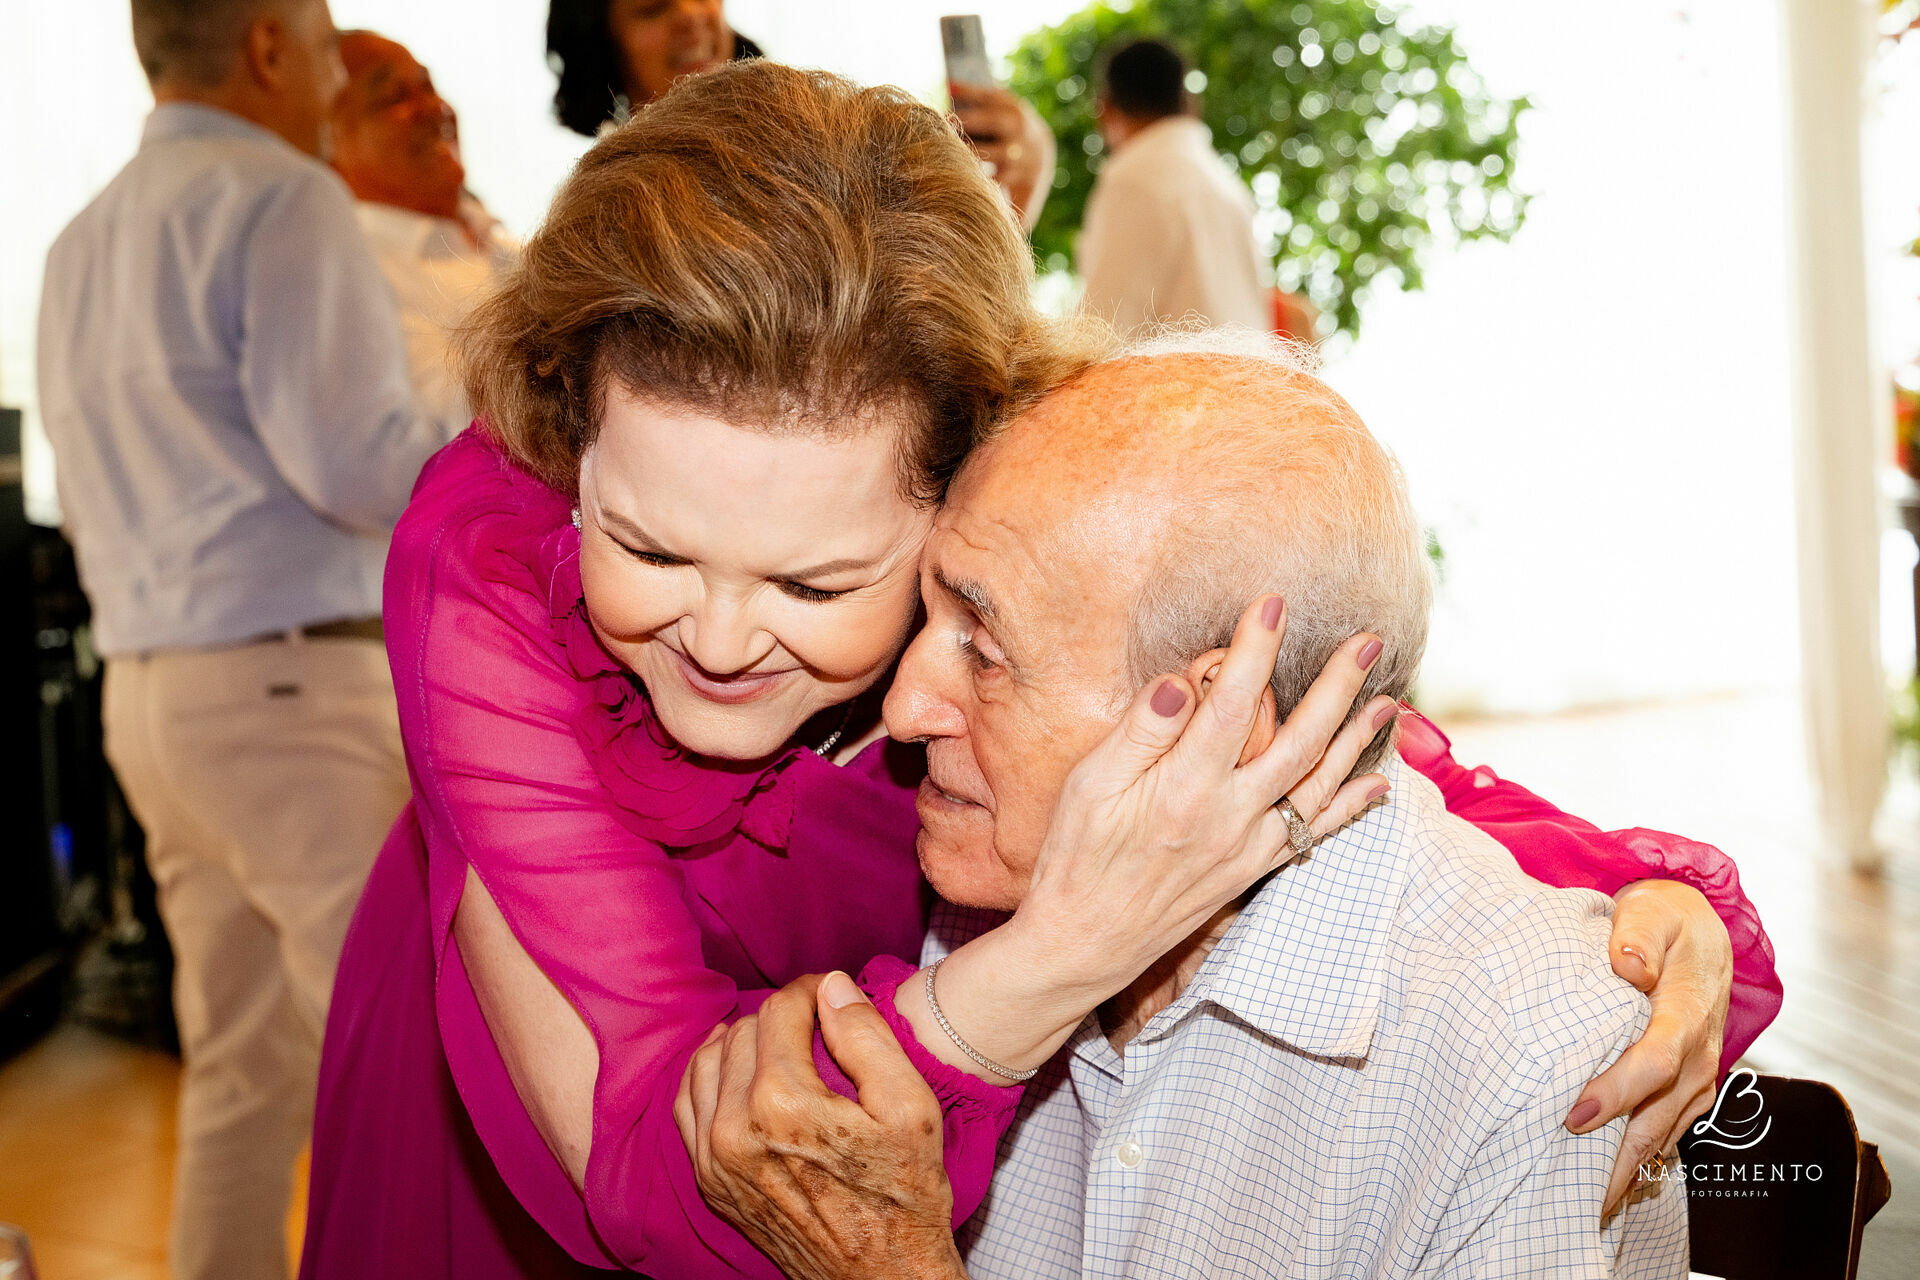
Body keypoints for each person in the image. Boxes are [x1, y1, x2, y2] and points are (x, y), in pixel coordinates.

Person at [301, 61, 1776, 1280]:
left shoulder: (1007, 513)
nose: (726, 635)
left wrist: (1615, 890)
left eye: (821, 583)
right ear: (571, 436)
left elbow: (1256, 685)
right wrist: (1049, 959)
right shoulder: (486, 557)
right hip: (532, 1124)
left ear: (959, 485)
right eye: (648, 549)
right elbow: (640, 1167)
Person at [679, 336, 1697, 1277]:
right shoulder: (979, 882)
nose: (900, 708)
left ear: (1214, 726)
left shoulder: (1534, 1069)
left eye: (983, 651)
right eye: (926, 610)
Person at [34, 1, 445, 1277]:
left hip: (153, 703)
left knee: (242, 1065)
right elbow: (353, 460)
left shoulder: (77, 238)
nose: (332, 69)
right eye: (324, 40)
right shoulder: (284, 196)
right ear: (268, 46)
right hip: (291, 693)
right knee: (405, 1068)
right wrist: (502, 422)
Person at [544, 0, 1056, 229]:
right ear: (602, 45)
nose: (691, 15)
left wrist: (1014, 192)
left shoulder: (819, 142)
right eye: (653, 8)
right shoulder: (602, 212)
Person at [330, 29, 513, 437]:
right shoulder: (351, 275)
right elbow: (445, 426)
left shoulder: (507, 247)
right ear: (328, 145)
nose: (432, 109)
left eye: (428, 86)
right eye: (396, 98)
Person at [1078, 37, 1271, 334]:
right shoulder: (1229, 188)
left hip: (1180, 379)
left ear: (1104, 109)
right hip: (1249, 378)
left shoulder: (1134, 178)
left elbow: (1102, 330)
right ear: (1189, 104)